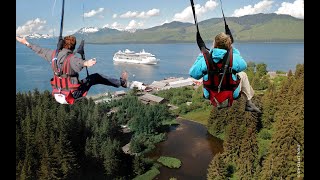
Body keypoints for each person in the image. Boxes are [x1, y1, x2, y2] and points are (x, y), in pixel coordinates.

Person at [16, 35, 128, 104]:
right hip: (73, 94)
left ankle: (120, 83)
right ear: (72, 47)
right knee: (96, 77)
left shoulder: (53, 55)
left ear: (63, 45)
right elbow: (79, 63)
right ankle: (121, 83)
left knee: (79, 78)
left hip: (58, 93)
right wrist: (87, 63)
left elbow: (39, 50)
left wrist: (26, 42)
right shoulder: (72, 59)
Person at [189, 32, 261, 113]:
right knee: (243, 75)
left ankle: (215, 97)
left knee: (205, 74)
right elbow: (243, 65)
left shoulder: (205, 59)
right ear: (229, 45)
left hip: (210, 93)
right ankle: (249, 102)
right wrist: (233, 52)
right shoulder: (233, 57)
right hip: (232, 93)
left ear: (215, 44)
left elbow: (193, 73)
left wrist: (201, 56)